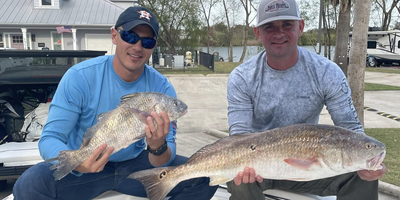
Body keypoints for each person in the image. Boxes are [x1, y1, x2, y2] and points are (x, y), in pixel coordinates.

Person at [13, 6, 218, 200]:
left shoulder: (162, 89)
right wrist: (78, 163)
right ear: (114, 36)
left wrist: (157, 146)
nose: (137, 47)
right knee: (30, 183)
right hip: (86, 166)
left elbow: (164, 158)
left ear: (153, 47)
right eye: (130, 36)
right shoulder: (79, 77)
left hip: (137, 165)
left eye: (147, 42)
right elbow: (51, 137)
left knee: (205, 176)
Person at [226, 0, 387, 199]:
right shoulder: (242, 77)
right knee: (239, 177)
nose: (279, 33)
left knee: (362, 176)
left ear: (300, 27)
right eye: (269, 27)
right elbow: (239, 137)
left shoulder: (327, 72)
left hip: (310, 165)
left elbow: (350, 128)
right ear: (258, 33)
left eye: (287, 24)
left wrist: (366, 158)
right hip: (259, 167)